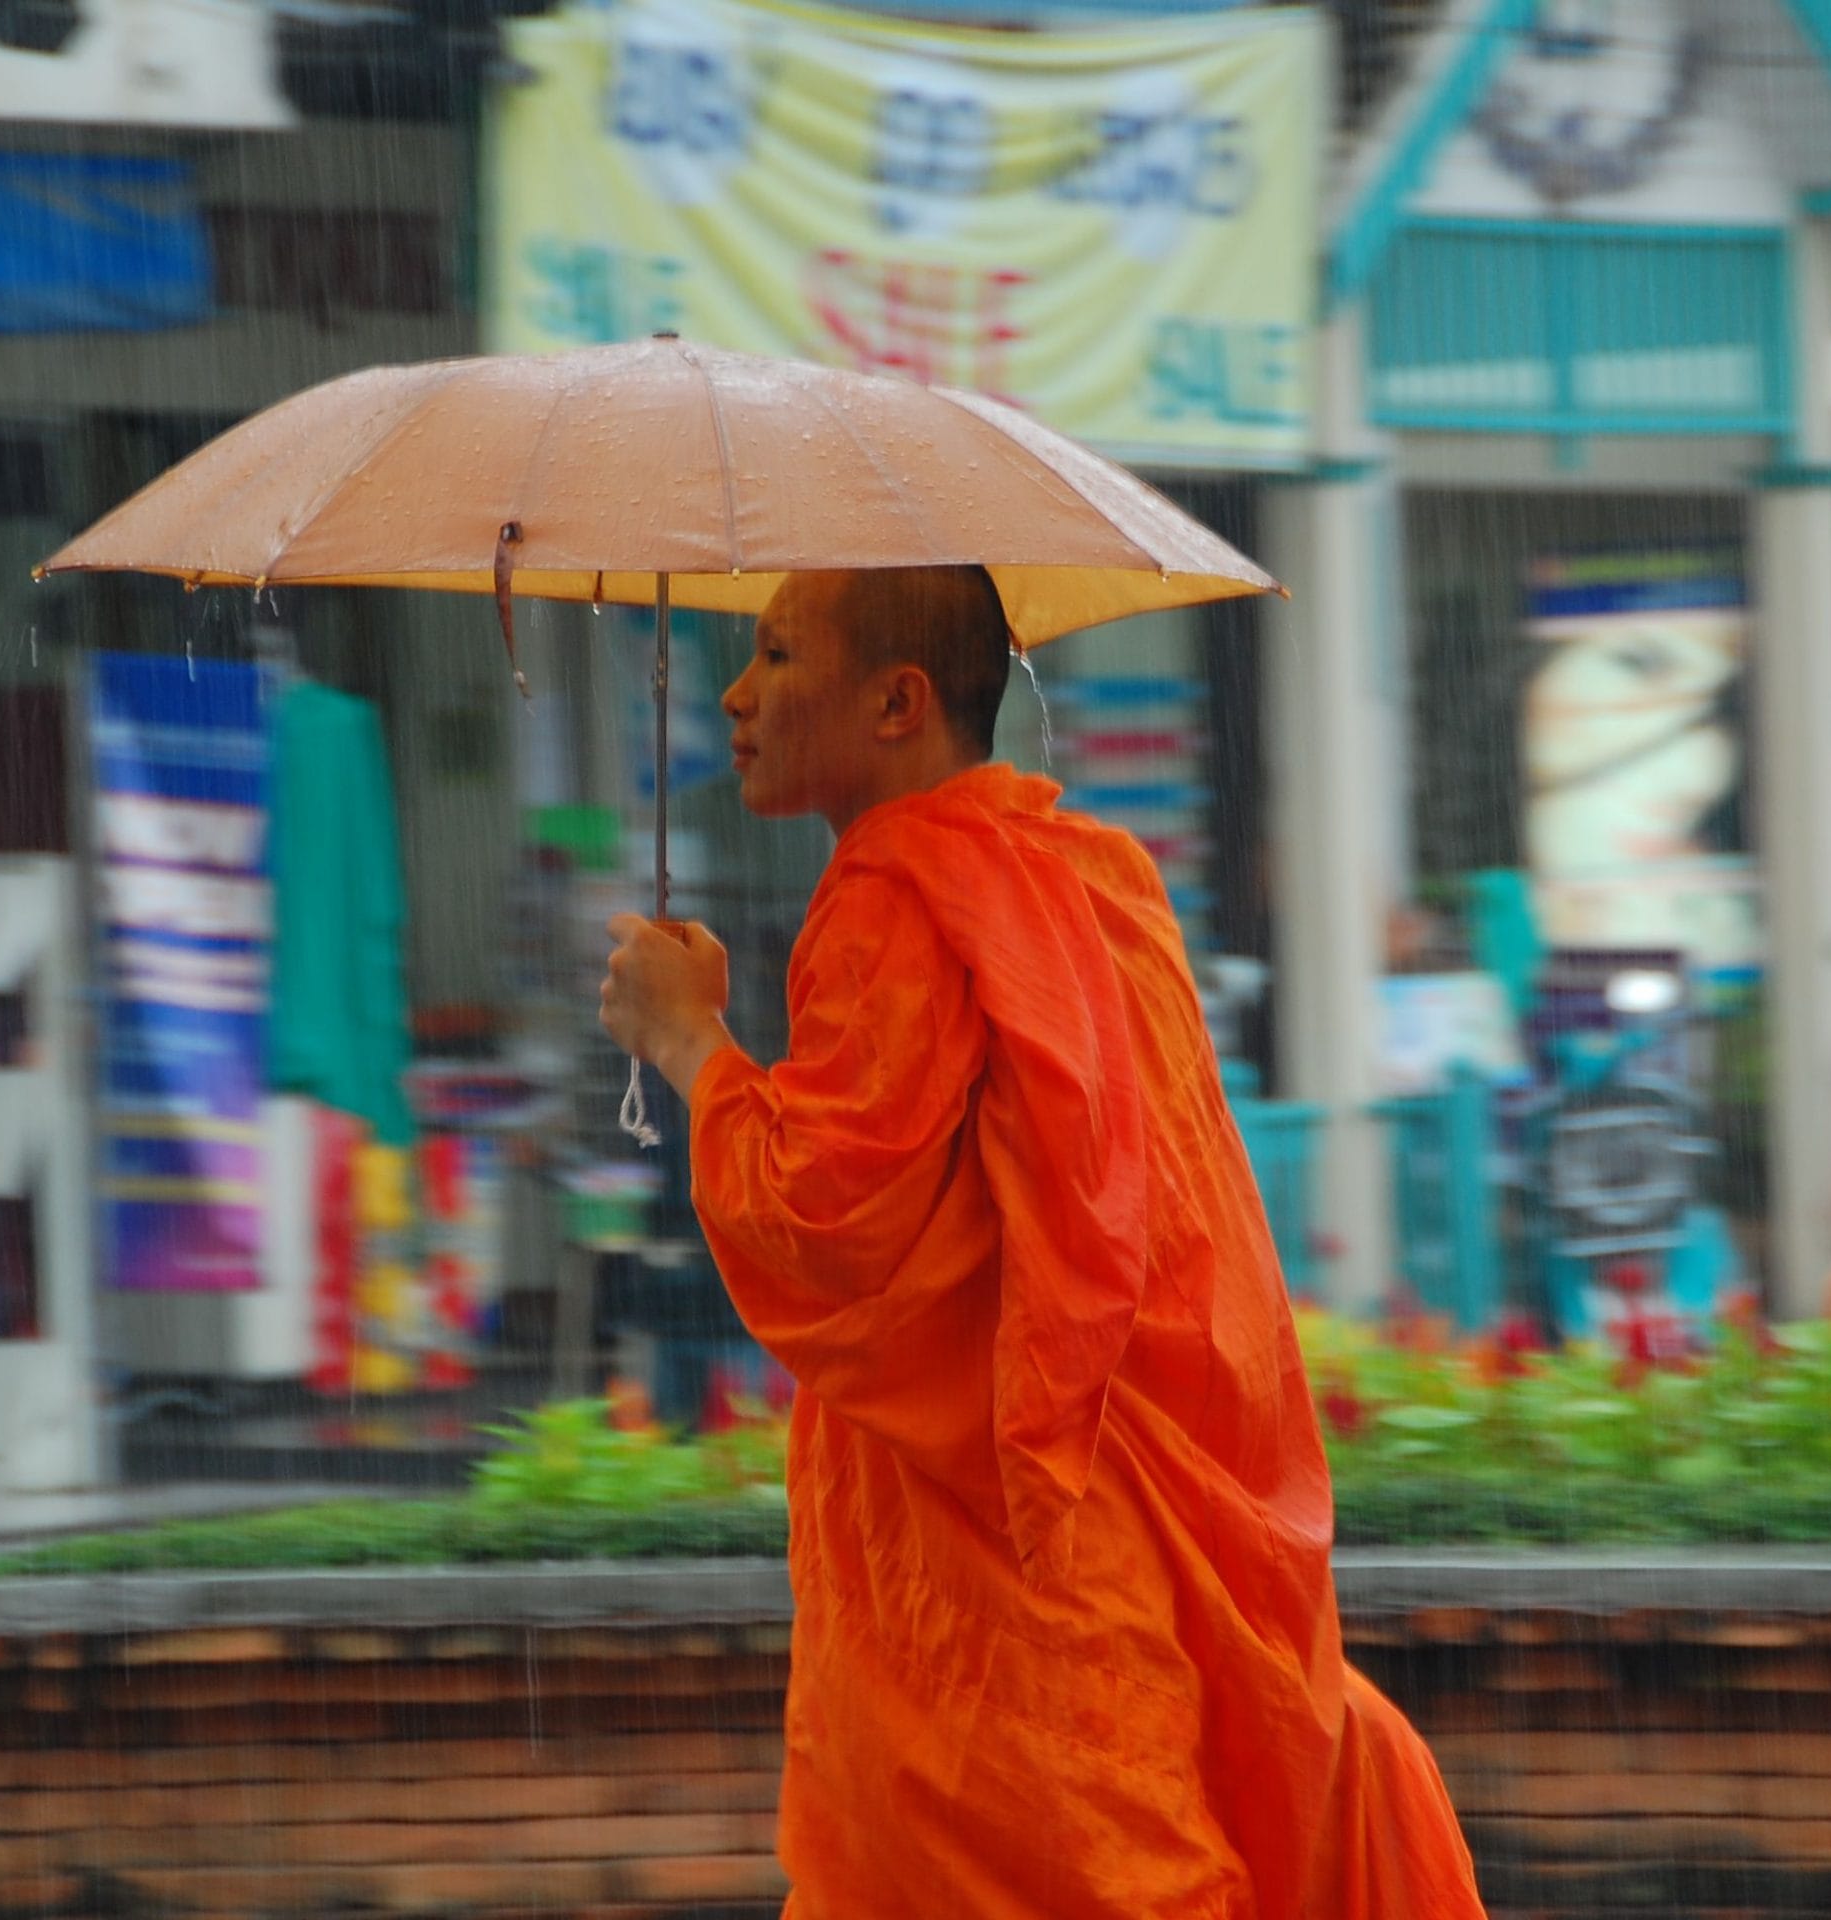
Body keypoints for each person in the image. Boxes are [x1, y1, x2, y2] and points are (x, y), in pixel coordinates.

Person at [601, 566, 1486, 1919]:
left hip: (988, 1515)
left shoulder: (891, 893)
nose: (733, 695)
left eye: (776, 657)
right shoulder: (1099, 870)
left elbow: (822, 1218)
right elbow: (1169, 1201)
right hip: (1132, 1460)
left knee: (1067, 1856)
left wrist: (688, 1041)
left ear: (897, 702)